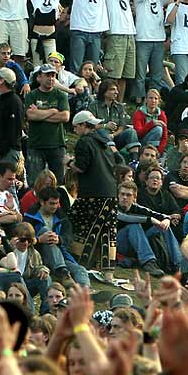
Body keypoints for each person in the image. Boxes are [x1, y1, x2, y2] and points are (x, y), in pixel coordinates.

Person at [69, 110, 118, 275]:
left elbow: (81, 167)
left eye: (76, 127)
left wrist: (68, 162)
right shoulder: (104, 142)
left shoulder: (84, 142)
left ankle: (77, 265)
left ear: (83, 125)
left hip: (93, 194)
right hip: (111, 192)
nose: (75, 131)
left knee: (82, 226)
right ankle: (108, 271)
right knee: (108, 231)